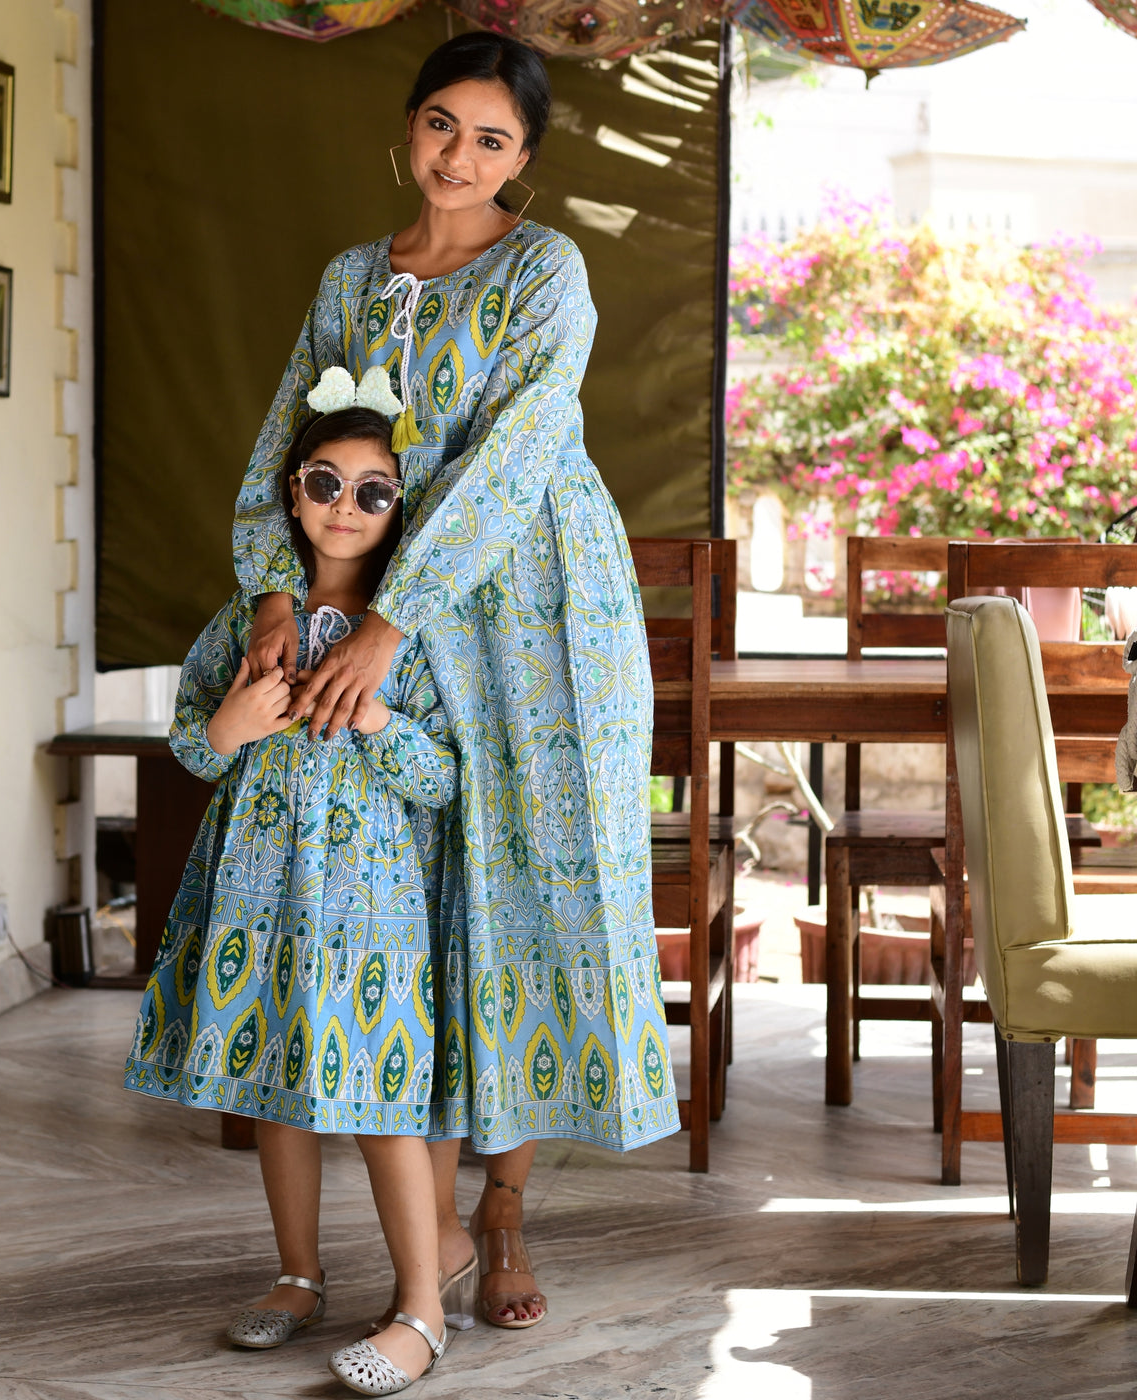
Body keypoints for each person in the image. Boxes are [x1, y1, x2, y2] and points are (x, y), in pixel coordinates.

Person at [233, 32, 680, 1334]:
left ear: (524, 160)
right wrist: (278, 585)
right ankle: (419, 1244)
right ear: (407, 125)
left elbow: (520, 449)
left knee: (525, 884)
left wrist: (395, 617)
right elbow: (289, 435)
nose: (460, 156)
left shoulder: (547, 268)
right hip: (380, 604)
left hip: (541, 616)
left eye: (492, 138)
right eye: (443, 124)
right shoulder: (351, 281)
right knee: (419, 903)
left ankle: (505, 1209)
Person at [125, 388, 473, 1395]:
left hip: (369, 902)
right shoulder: (248, 618)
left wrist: (376, 724)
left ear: (399, 507)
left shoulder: (407, 635)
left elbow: (446, 776)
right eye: (325, 483)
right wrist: (229, 727)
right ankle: (297, 1270)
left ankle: (419, 1303)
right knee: (277, 1082)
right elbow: (192, 738)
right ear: (291, 492)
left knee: (379, 1093)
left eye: (373, 491)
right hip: (256, 888)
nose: (345, 506)